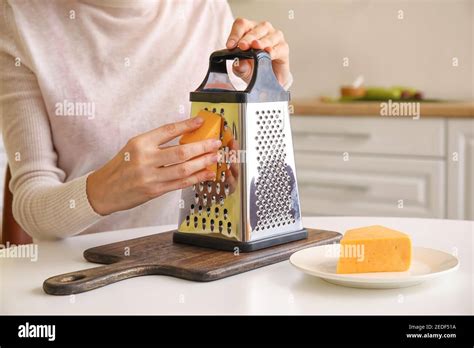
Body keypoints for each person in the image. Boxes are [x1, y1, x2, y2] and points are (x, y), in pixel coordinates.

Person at [0, 0, 292, 239]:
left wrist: (269, 89)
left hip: (195, 258)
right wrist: (103, 190)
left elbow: (243, 170)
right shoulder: (19, 17)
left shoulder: (208, 10)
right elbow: (30, 203)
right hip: (81, 270)